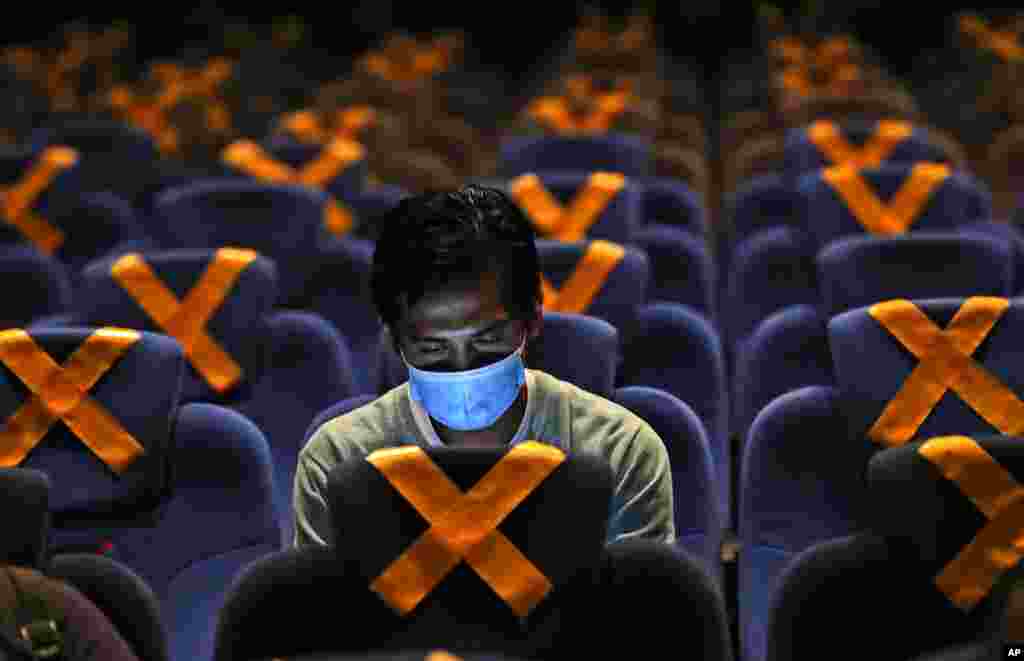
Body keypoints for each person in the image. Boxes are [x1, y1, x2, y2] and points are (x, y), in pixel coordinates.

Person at [293, 185, 674, 548]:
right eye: (432, 349)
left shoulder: (621, 453)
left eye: (487, 341)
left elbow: (634, 615)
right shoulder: (338, 461)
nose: (462, 369)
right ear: (396, 342)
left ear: (532, 323)